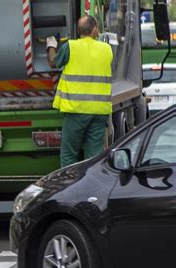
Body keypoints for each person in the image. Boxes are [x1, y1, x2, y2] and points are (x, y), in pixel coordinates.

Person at [46, 15, 113, 168]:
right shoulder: (107, 49)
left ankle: (70, 189)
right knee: (95, 157)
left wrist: (51, 45)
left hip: (76, 110)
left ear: (78, 30)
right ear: (95, 28)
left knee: (69, 154)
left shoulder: (70, 47)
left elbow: (53, 62)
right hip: (99, 111)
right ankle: (92, 188)